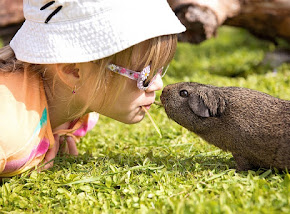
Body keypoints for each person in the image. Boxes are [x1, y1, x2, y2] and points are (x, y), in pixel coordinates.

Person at [0, 0, 185, 177]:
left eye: (160, 68)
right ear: (73, 70)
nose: (158, 84)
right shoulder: (10, 130)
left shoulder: (82, 110)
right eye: (145, 74)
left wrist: (53, 131)